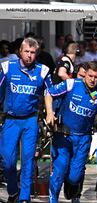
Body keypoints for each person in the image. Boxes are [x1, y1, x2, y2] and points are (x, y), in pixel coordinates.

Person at [0, 37, 52, 203]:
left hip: (30, 120)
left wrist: (50, 112)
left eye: (33, 52)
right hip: (11, 120)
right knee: (7, 160)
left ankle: (24, 197)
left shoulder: (43, 70)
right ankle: (13, 191)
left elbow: (49, 92)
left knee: (28, 159)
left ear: (36, 54)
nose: (29, 55)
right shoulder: (7, 67)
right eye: (26, 52)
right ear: (20, 52)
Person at [45, 61, 97, 203]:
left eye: (96, 77)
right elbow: (49, 93)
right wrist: (49, 113)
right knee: (59, 169)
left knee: (74, 177)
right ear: (85, 74)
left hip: (83, 139)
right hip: (63, 136)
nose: (92, 79)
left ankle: (73, 191)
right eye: (90, 76)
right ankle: (53, 199)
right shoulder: (71, 84)